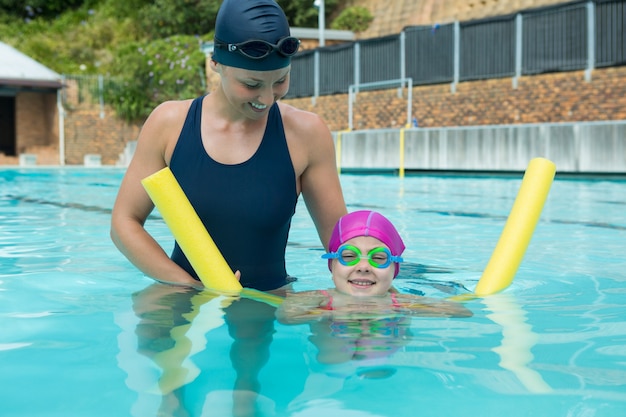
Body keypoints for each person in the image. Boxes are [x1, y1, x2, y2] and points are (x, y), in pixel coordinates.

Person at [110, 0, 347, 291]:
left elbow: (345, 245)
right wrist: (190, 286)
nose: (268, 98)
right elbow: (125, 223)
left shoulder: (307, 133)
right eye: (251, 84)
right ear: (216, 63)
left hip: (264, 309)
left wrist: (377, 295)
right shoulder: (169, 124)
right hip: (181, 303)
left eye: (280, 81)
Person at [276, 210, 472, 322]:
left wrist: (395, 306)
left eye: (378, 258)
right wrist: (334, 309)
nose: (363, 267)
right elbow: (286, 316)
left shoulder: (401, 302)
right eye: (349, 256)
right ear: (332, 265)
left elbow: (460, 311)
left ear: (394, 270)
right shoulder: (319, 298)